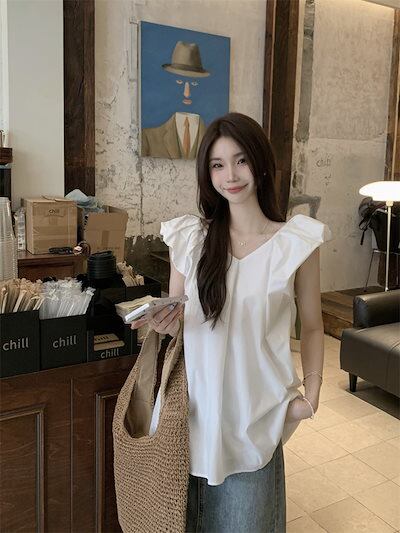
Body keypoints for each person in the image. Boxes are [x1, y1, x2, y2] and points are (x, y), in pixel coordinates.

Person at [131, 112, 332, 532]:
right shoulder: (190, 238)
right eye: (218, 165)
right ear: (207, 174)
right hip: (189, 422)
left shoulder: (296, 242)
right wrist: (163, 324)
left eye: (240, 160)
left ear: (260, 163)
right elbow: (180, 323)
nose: (231, 176)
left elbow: (313, 326)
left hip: (255, 422)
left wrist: (311, 394)